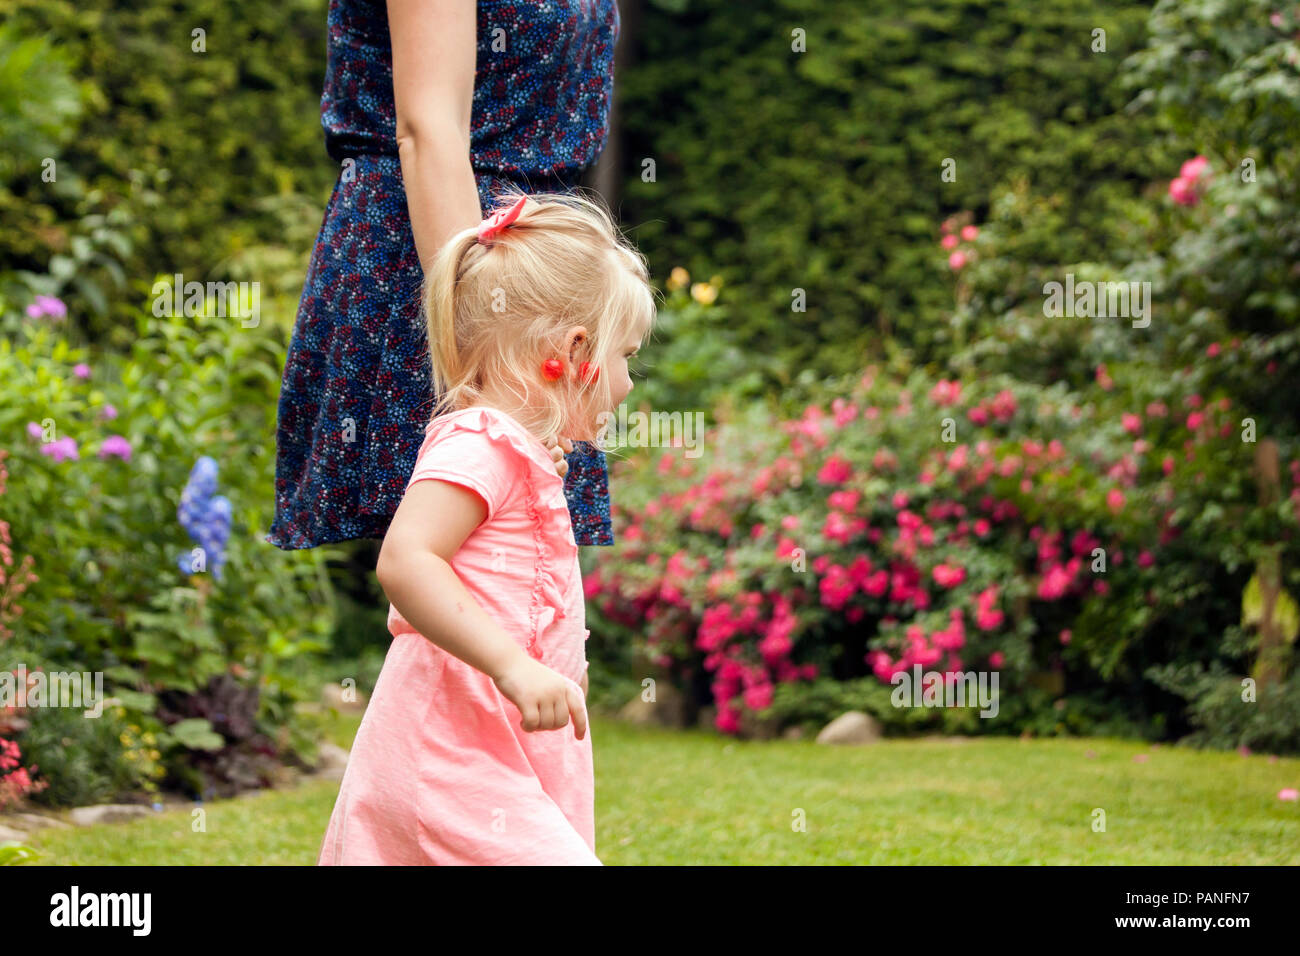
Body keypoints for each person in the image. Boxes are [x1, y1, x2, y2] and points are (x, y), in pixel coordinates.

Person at [317, 190, 655, 865]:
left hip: (493, 745)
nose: (628, 382)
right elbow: (408, 559)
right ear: (575, 351)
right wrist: (513, 667)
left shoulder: (511, 451)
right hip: (448, 747)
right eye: (628, 357)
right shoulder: (480, 444)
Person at [267, 0, 622, 552]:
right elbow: (429, 128)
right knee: (443, 565)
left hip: (532, 261)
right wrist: (487, 354)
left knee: (523, 577)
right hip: (446, 253)